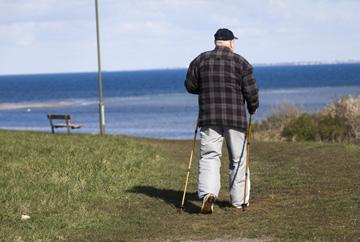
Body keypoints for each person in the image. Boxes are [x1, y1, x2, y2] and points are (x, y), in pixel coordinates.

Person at [184, 28, 259, 214]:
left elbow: (190, 85)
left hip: (209, 117)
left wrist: (205, 89)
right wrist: (252, 107)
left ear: (216, 41)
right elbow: (251, 91)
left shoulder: (200, 60)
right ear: (231, 42)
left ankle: (208, 193)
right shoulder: (241, 62)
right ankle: (239, 201)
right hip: (235, 119)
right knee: (238, 159)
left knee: (210, 156)